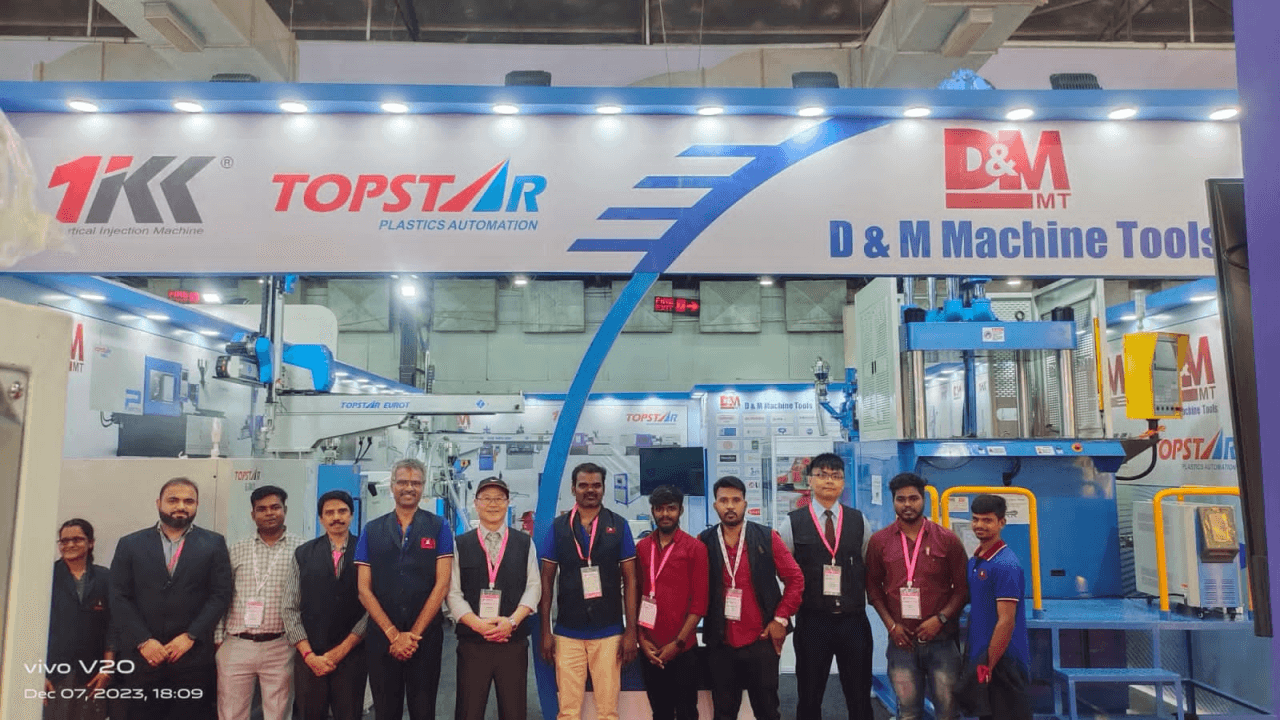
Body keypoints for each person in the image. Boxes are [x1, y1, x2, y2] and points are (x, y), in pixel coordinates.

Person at [109, 477, 233, 720]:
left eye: (189, 501)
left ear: (196, 505)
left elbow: (220, 595)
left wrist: (191, 636)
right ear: (159, 503)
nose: (181, 506)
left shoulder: (214, 543)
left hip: (192, 656)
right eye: (173, 500)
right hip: (143, 657)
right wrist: (143, 641)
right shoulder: (130, 544)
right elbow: (118, 596)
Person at [538, 462, 639, 720]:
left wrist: (631, 632)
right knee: (568, 711)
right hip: (567, 632)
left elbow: (631, 581)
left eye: (596, 485)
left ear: (603, 488)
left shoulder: (619, 525)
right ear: (573, 489)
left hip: (609, 631)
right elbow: (546, 581)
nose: (590, 490)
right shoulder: (559, 527)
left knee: (608, 711)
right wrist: (546, 631)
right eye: (583, 485)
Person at [699, 476, 804, 720]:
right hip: (721, 642)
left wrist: (780, 619)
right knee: (723, 713)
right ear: (715, 505)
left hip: (761, 640)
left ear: (745, 503)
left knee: (767, 711)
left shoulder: (767, 537)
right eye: (723, 500)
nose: (730, 506)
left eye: (736, 500)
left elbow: (795, 579)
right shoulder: (703, 541)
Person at [866, 473, 970, 720]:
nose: (907, 504)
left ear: (923, 500)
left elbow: (963, 589)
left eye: (913, 498)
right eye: (901, 499)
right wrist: (891, 626)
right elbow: (873, 589)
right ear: (893, 502)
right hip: (902, 642)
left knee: (948, 713)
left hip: (942, 641)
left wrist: (940, 619)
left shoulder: (947, 540)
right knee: (909, 713)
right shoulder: (879, 542)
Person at [356, 458, 454, 720]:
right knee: (386, 711)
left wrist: (412, 636)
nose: (409, 488)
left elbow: (442, 584)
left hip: (424, 639)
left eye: (415, 483)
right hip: (382, 639)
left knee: (423, 711)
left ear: (423, 487)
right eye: (402, 482)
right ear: (392, 486)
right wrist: (393, 635)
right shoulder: (371, 530)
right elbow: (363, 589)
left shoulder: (439, 527)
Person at [779, 453, 874, 720]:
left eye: (836, 476)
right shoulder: (792, 522)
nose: (829, 481)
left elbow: (868, 562)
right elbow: (784, 571)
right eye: (822, 475)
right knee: (809, 696)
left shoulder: (859, 521)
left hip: (853, 622)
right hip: (813, 621)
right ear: (810, 481)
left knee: (859, 697)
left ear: (843, 482)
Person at [447, 477, 541, 720]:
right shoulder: (460, 544)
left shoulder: (524, 543)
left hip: (512, 642)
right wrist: (477, 625)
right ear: (476, 503)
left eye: (499, 498)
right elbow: (453, 592)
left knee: (514, 712)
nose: (493, 504)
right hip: (472, 644)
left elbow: (533, 587)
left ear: (508, 503)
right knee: (468, 712)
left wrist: (512, 621)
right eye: (486, 498)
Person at [214, 485, 305, 720]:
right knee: (231, 713)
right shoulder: (236, 549)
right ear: (253, 514)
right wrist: (219, 638)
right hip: (236, 643)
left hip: (281, 645)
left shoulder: (302, 549)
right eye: (261, 509)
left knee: (278, 713)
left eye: (275, 507)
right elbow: (221, 594)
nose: (269, 513)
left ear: (285, 510)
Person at [283, 489, 369, 720]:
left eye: (342, 511)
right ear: (321, 518)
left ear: (351, 515)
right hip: (310, 654)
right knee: (309, 714)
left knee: (349, 714)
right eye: (329, 513)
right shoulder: (303, 554)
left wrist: (343, 649)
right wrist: (308, 654)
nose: (336, 517)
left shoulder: (367, 551)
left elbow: (373, 608)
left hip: (352, 654)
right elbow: (290, 607)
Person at [635, 485, 709, 720]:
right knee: (660, 713)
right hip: (650, 648)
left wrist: (677, 644)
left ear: (681, 510)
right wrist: (641, 640)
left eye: (671, 508)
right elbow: (636, 597)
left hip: (683, 648)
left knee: (687, 712)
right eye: (659, 509)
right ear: (653, 511)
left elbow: (699, 604)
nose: (665, 514)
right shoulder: (642, 548)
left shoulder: (696, 548)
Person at [966, 494, 1033, 720]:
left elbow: (1006, 621)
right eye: (976, 519)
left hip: (1004, 661)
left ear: (1001, 522)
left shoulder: (1006, 565)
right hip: (982, 655)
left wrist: (989, 664)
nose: (979, 525)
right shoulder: (976, 561)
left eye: (987, 520)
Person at [43, 519, 112, 720]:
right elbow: (32, 627)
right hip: (53, 675)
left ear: (91, 543)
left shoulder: (105, 578)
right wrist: (37, 674)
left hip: (92, 675)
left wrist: (107, 669)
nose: (70, 545)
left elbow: (113, 627)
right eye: (64, 541)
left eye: (77, 539)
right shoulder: (47, 576)